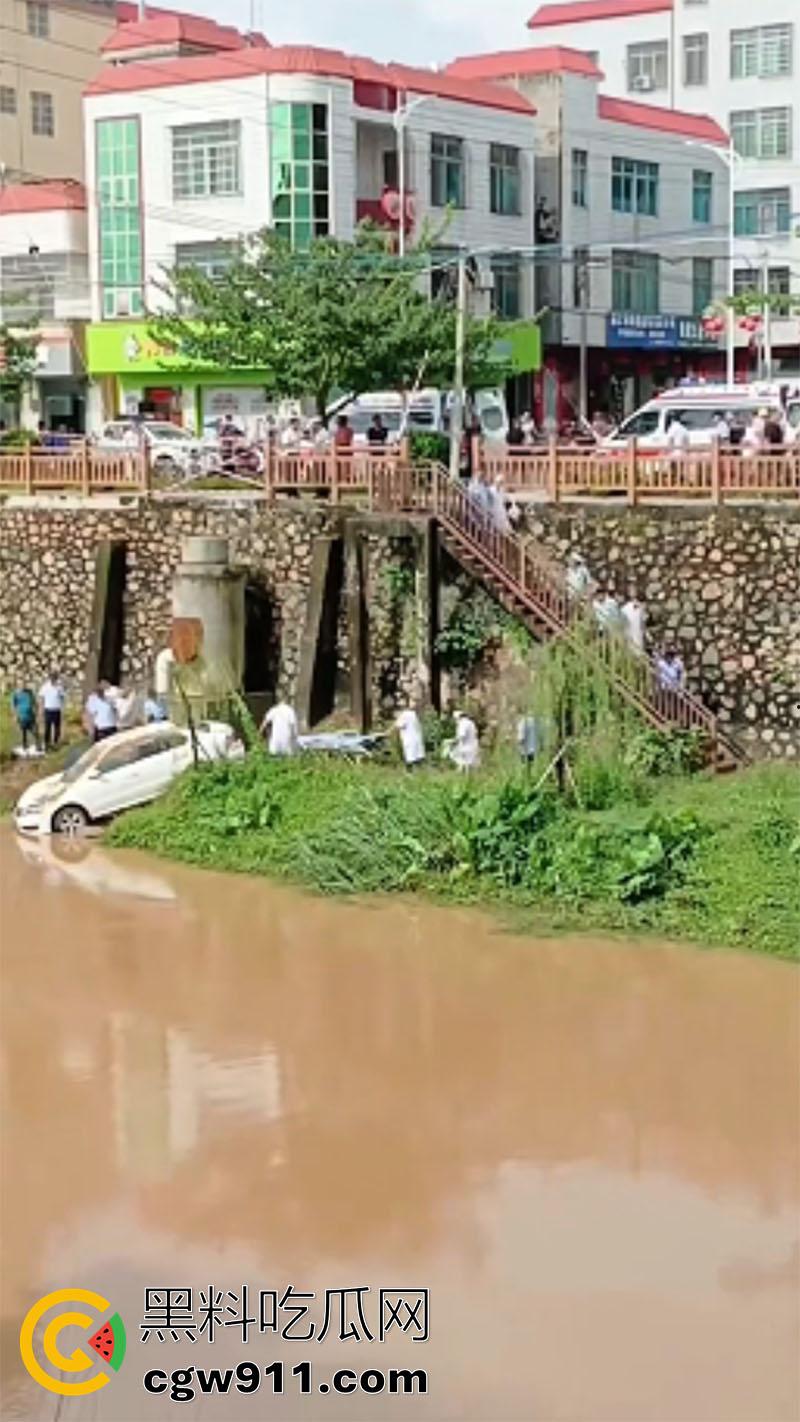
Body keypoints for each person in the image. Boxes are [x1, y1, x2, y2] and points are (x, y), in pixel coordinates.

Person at [38, 670, 66, 749]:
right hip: (48, 709)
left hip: (57, 709)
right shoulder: (45, 686)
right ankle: (47, 743)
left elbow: (62, 698)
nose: (54, 679)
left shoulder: (59, 687)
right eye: (52, 677)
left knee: (57, 728)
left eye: (55, 677)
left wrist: (63, 709)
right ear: (50, 678)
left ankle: (55, 742)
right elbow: (41, 698)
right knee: (47, 728)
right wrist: (41, 709)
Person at [11, 684, 39, 753]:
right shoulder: (15, 694)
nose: (22, 686)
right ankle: (24, 746)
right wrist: (15, 715)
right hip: (21, 716)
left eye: (23, 684)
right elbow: (13, 705)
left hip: (31, 715)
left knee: (34, 731)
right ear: (17, 685)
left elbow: (35, 702)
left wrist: (36, 711)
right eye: (20, 684)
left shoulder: (30, 692)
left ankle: (38, 745)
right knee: (23, 732)